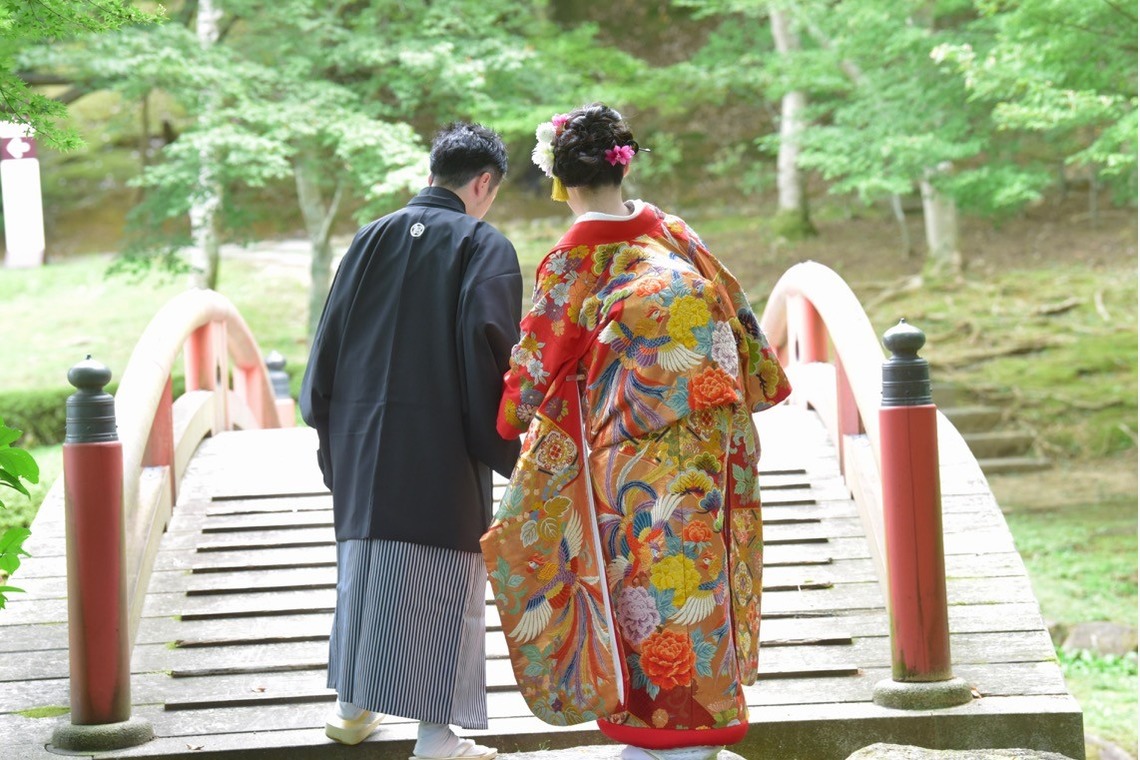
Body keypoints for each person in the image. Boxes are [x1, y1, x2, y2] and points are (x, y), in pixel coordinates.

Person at [490, 104, 792, 760]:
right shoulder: (675, 232)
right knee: (697, 571)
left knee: (639, 583)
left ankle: (664, 736)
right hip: (707, 440)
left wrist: (510, 419)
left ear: (562, 183)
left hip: (628, 452)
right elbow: (739, 316)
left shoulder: (574, 260)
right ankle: (703, 721)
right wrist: (759, 386)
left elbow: (536, 362)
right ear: (621, 165)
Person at [301, 122, 523, 759]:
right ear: (483, 183)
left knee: (363, 567)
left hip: (362, 437)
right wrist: (510, 439)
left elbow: (329, 337)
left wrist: (326, 423)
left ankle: (350, 710)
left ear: (434, 174)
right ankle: (435, 738)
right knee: (439, 582)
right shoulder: (484, 244)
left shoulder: (370, 235)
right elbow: (493, 352)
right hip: (439, 443)